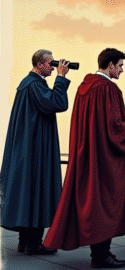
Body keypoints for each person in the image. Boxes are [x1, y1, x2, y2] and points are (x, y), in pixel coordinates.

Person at [44, 48, 125, 268]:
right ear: (110, 65)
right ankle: (101, 256)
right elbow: (112, 128)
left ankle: (99, 254)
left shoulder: (84, 87)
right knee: (105, 202)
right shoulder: (108, 88)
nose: (121, 70)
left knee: (93, 202)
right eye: (120, 66)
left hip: (86, 153)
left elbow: (98, 121)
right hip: (104, 157)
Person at [0, 50, 72, 255]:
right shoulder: (35, 84)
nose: (53, 66)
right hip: (36, 148)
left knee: (28, 192)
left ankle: (26, 242)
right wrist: (61, 78)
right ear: (39, 64)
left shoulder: (27, 84)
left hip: (28, 146)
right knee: (38, 189)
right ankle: (33, 243)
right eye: (50, 63)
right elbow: (57, 103)